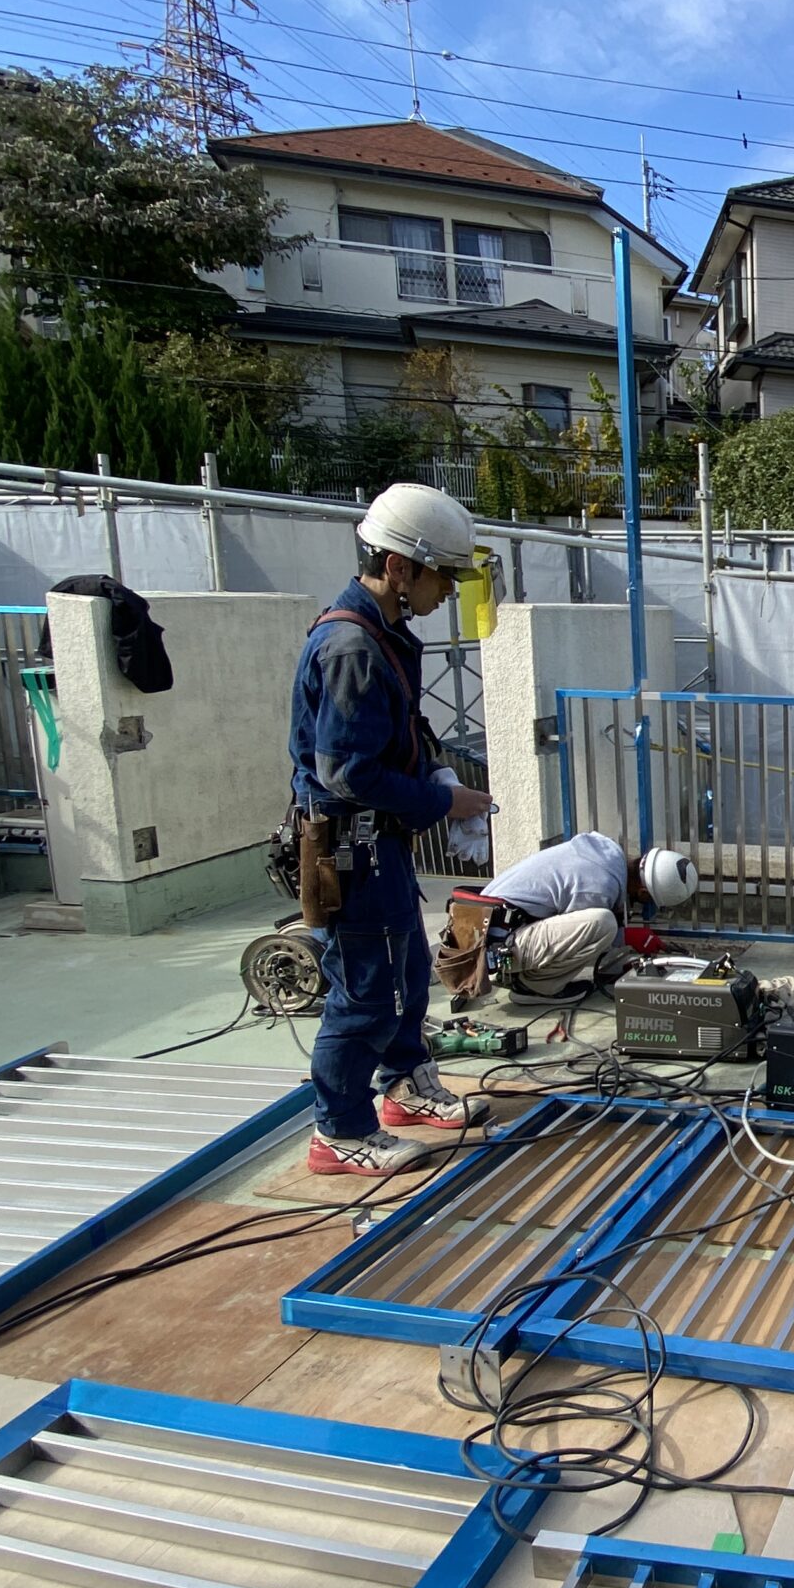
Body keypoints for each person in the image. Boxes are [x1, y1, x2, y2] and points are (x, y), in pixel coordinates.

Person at [290, 484, 497, 1176]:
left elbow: (398, 736)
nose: (448, 592)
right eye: (443, 575)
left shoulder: (384, 635)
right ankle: (339, 1131)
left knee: (406, 970)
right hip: (350, 846)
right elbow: (346, 771)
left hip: (380, 844)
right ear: (402, 567)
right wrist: (444, 806)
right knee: (366, 990)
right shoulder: (351, 646)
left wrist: (437, 778)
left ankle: (405, 1088)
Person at [480, 835, 699, 996]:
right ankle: (534, 986)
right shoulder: (598, 887)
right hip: (494, 946)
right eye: (647, 900)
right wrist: (626, 937)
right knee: (603, 923)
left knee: (605, 922)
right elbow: (578, 936)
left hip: (497, 926)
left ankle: (527, 976)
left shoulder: (605, 854)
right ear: (643, 892)